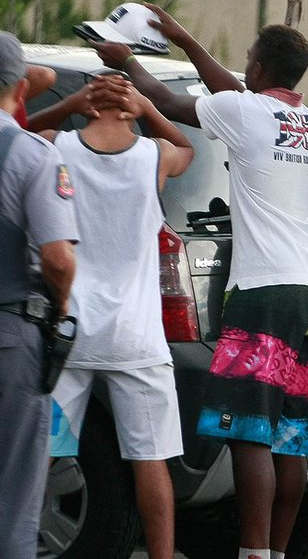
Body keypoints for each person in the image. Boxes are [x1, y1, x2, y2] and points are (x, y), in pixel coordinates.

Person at [93, 4, 308, 559]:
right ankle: (278, 551)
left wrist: (127, 61)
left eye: (249, 58)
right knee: (293, 434)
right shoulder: (307, 120)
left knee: (250, 431)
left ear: (263, 67)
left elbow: (175, 102)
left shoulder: (245, 114)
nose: (242, 64)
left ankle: (252, 551)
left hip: (263, 290)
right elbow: (232, 90)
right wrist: (181, 36)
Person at [36, 74, 193, 559]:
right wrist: (148, 108)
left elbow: (14, 130)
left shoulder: (57, 147)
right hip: (137, 339)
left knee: (41, 455)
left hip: (71, 334)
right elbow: (184, 146)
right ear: (128, 109)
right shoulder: (153, 159)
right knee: (151, 462)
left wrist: (68, 107)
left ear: (88, 106)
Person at [0, 31, 78, 559]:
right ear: (23, 87)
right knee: (14, 495)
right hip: (10, 334)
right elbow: (56, 257)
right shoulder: (31, 155)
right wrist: (64, 301)